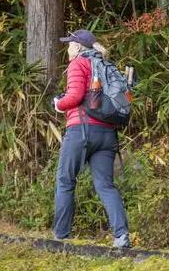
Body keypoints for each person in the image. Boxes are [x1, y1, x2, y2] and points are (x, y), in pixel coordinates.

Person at [52, 28, 130, 248]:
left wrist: (58, 104)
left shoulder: (78, 63)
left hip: (82, 130)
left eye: (69, 44)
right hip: (107, 134)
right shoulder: (105, 65)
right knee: (106, 185)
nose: (67, 48)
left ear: (77, 47)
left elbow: (75, 96)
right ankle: (121, 236)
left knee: (66, 180)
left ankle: (61, 236)